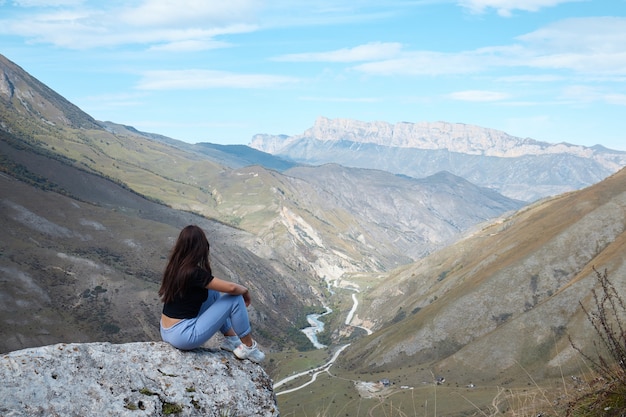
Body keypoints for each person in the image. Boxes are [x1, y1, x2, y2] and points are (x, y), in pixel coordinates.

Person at [158, 225, 265, 363]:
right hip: (182, 336)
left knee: (212, 291)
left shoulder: (175, 267)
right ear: (201, 248)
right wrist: (245, 290)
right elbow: (232, 288)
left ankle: (232, 340)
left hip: (166, 330)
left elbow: (217, 287)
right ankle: (249, 347)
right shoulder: (193, 272)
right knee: (235, 298)